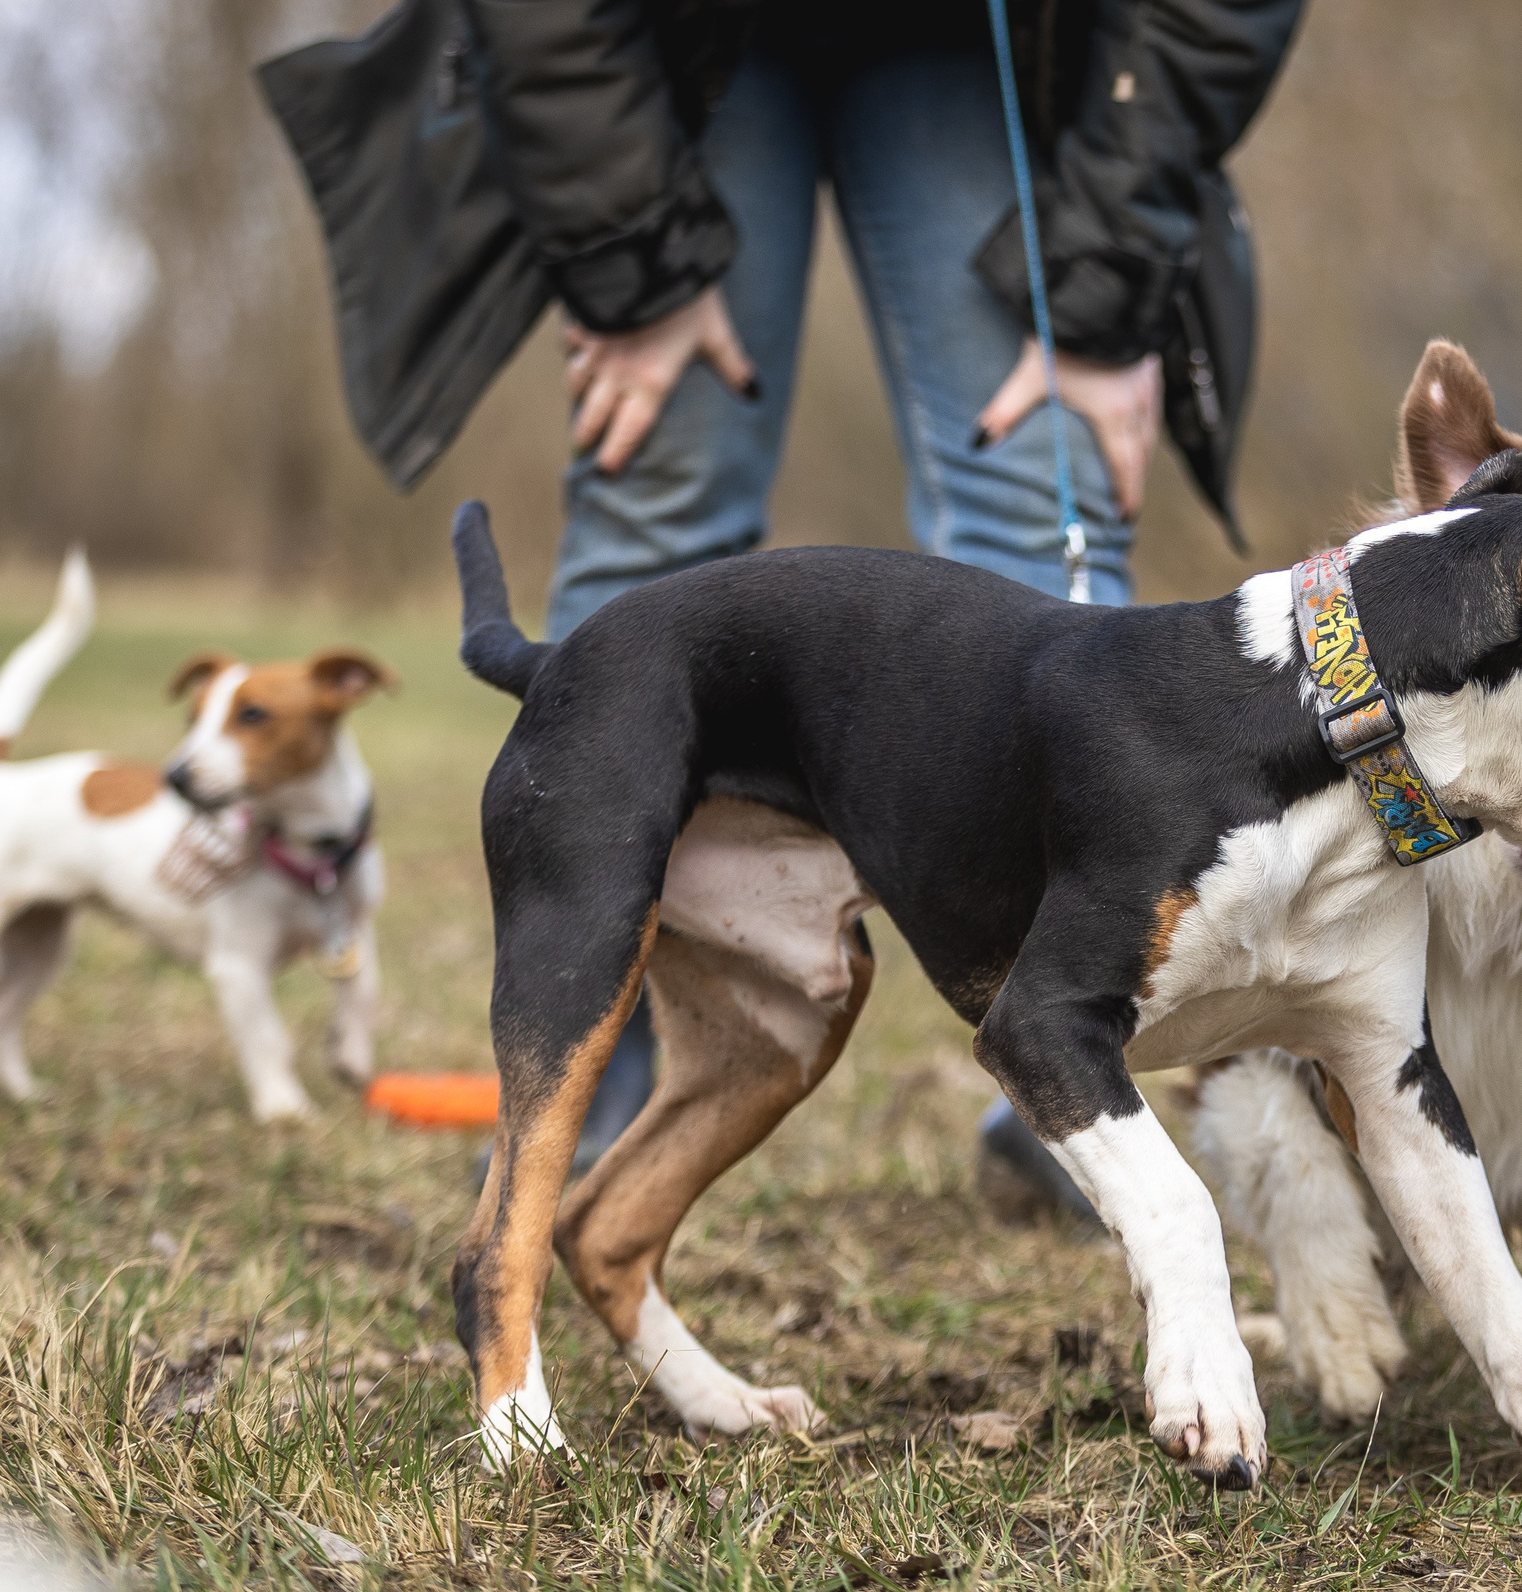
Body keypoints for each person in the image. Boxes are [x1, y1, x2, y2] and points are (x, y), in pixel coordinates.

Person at [261, 0, 1304, 1217]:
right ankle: (589, 1089)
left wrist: (1103, 273)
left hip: (978, 45)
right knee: (655, 490)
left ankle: (1077, 1080)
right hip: (665, 45)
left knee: (1040, 482)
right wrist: (630, 252)